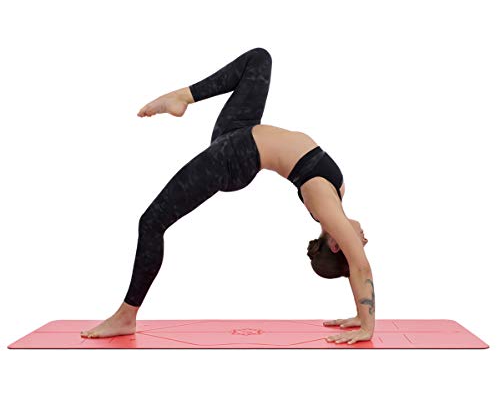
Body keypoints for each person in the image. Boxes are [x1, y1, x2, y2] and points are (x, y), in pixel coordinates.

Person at [80, 48, 375, 345]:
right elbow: (355, 264)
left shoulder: (324, 206)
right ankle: (182, 96)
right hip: (238, 131)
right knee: (259, 58)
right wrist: (359, 315)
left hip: (234, 158)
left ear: (336, 245)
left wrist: (367, 327)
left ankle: (126, 316)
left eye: (359, 244)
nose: (364, 240)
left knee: (151, 222)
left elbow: (360, 266)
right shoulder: (336, 196)